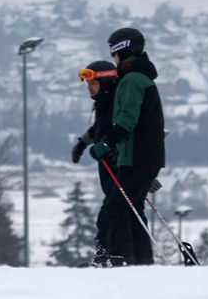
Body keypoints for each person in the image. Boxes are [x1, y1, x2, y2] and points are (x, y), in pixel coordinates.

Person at [88, 27, 166, 266]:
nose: (114, 58)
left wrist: (105, 143)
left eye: (114, 53)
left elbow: (126, 122)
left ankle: (119, 259)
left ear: (122, 50)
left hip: (137, 157)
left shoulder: (132, 81)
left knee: (117, 207)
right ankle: (142, 262)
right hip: (142, 156)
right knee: (132, 209)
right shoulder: (137, 78)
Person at [71, 60, 119, 265]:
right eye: (88, 85)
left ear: (106, 82)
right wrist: (82, 143)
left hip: (117, 165)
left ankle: (108, 257)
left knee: (110, 213)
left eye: (93, 84)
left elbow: (119, 131)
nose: (89, 89)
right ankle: (105, 257)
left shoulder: (115, 104)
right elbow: (98, 129)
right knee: (110, 211)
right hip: (107, 167)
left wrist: (105, 146)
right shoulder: (103, 104)